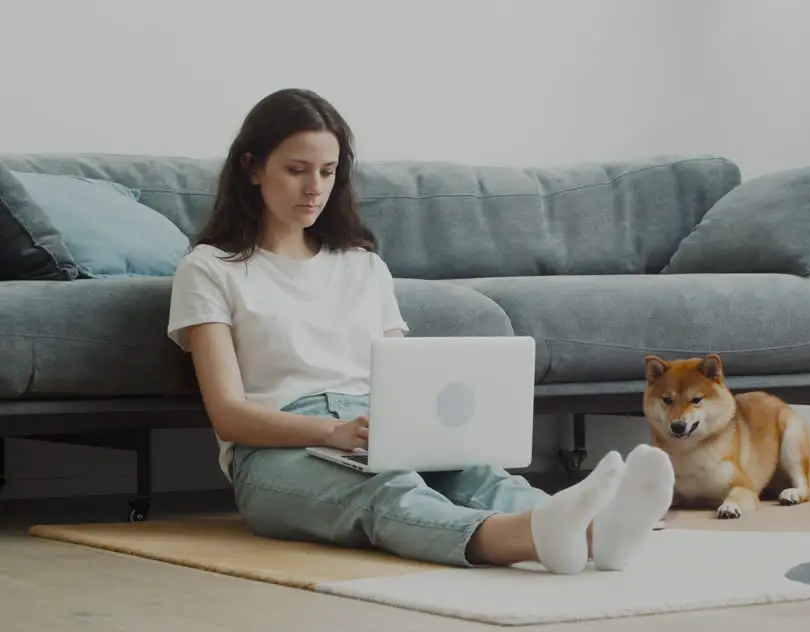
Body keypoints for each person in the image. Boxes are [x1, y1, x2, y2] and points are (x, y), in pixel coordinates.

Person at [167, 88, 673, 574]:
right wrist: (330, 431)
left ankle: (596, 529)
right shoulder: (211, 269)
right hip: (278, 451)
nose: (314, 188)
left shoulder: (362, 265)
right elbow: (230, 416)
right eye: (296, 170)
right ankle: (536, 537)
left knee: (477, 476)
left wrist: (418, 431)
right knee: (388, 488)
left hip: (376, 428)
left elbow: (405, 378)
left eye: (327, 171)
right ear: (252, 168)